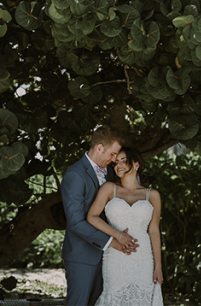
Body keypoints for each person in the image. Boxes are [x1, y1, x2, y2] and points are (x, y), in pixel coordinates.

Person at [61, 126, 139, 306]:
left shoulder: (110, 172)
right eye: (112, 154)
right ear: (99, 148)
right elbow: (76, 223)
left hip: (109, 257)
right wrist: (112, 240)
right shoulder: (75, 175)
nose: (114, 160)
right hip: (82, 255)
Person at [86, 147, 164, 305]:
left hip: (144, 258)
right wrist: (118, 235)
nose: (118, 165)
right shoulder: (109, 189)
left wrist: (158, 267)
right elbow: (92, 217)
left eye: (123, 160)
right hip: (115, 255)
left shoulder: (153, 195)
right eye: (116, 162)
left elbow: (154, 232)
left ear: (136, 164)